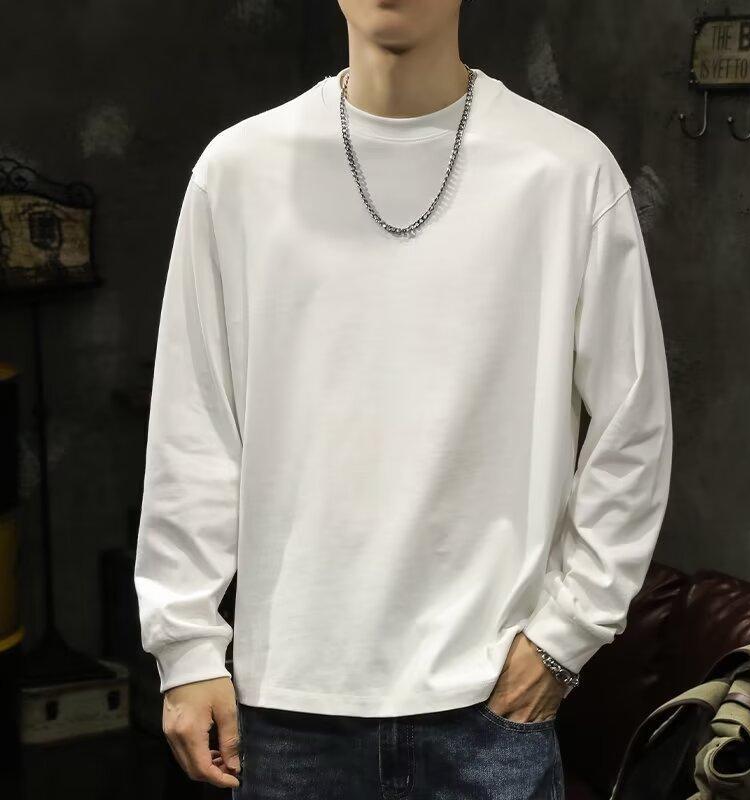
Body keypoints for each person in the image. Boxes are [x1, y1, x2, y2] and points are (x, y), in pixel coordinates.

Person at [133, 0, 673, 797]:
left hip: (489, 707)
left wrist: (564, 638)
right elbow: (194, 424)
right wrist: (184, 646)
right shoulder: (240, 171)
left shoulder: (565, 172)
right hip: (288, 708)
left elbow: (634, 427)